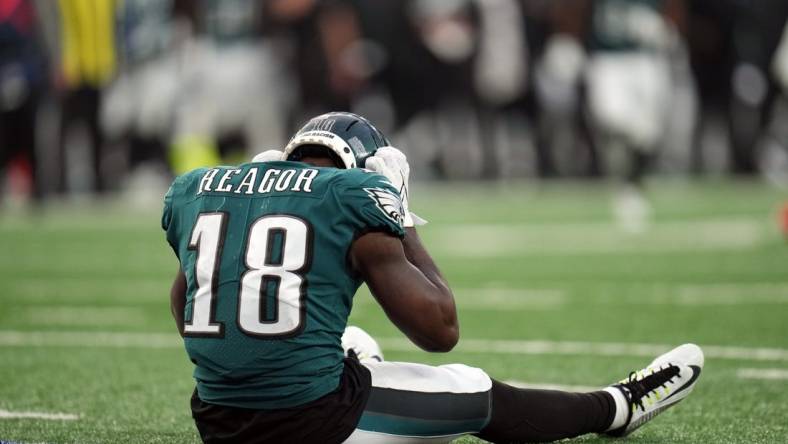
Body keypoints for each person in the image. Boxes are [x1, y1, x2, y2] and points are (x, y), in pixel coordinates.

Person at [162, 111, 704, 443]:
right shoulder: (354, 196)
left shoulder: (204, 185)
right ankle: (615, 407)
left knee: (352, 341)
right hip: (311, 424)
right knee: (472, 388)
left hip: (216, 421)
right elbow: (441, 330)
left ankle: (358, 376)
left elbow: (186, 313)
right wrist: (397, 212)